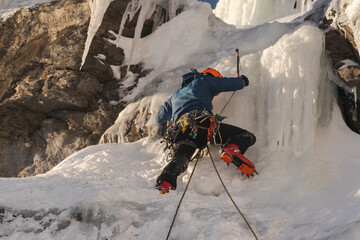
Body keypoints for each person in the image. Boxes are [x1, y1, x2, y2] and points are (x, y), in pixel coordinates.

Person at [155, 68, 257, 194]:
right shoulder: (203, 81)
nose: (215, 94)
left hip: (180, 132)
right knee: (247, 136)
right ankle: (231, 148)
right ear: (210, 76)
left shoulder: (175, 94)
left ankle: (165, 182)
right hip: (203, 126)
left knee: (181, 158)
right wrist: (241, 81)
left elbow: (159, 117)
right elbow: (224, 83)